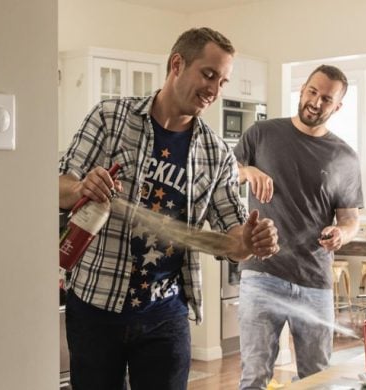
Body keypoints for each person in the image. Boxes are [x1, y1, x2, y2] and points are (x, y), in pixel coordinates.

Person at [58, 27, 279, 390]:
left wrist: (251, 240)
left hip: (164, 314)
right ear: (177, 64)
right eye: (208, 75)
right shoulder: (110, 118)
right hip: (96, 308)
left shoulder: (216, 153)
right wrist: (81, 187)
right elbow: (57, 187)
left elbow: (233, 239)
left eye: (222, 81)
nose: (214, 90)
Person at [233, 64, 364, 389]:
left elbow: (350, 219)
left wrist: (341, 233)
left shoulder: (344, 157)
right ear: (303, 89)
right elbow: (227, 170)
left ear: (338, 106)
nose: (316, 102)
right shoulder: (262, 134)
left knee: (317, 378)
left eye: (326, 99)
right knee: (254, 377)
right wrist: (248, 171)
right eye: (312, 92)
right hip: (261, 275)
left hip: (314, 281)